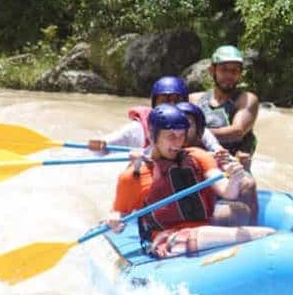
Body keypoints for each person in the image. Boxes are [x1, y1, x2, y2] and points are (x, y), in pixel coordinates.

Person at [106, 104, 274, 257]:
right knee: (263, 235)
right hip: (166, 241)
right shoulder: (133, 175)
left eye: (181, 135)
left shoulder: (197, 156)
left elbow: (227, 192)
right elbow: (118, 219)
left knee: (238, 214)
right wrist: (114, 219)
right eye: (170, 136)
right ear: (152, 136)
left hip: (203, 230)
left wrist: (234, 179)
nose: (177, 142)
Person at [89, 75, 221, 153]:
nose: (171, 106)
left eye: (177, 101)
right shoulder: (138, 128)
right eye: (164, 101)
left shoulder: (194, 127)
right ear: (154, 104)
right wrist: (101, 143)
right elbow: (110, 141)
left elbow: (216, 149)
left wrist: (222, 156)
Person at [176, 101, 259, 225]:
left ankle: (254, 229)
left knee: (248, 184)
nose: (182, 130)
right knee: (238, 213)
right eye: (178, 124)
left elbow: (219, 152)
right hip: (180, 200)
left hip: (203, 187)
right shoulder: (167, 137)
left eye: (188, 124)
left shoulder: (204, 135)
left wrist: (232, 166)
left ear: (198, 128)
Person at [189, 45, 259, 171]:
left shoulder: (247, 99)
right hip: (199, 166)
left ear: (240, 74)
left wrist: (196, 133)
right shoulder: (194, 99)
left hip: (232, 168)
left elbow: (237, 132)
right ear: (212, 71)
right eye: (223, 69)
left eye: (234, 71)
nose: (229, 75)